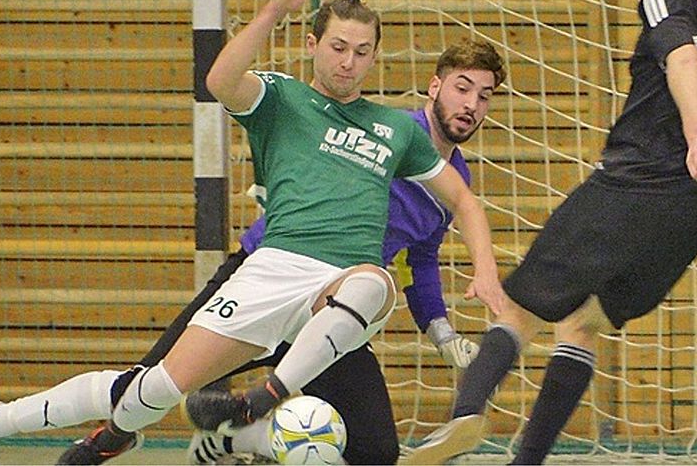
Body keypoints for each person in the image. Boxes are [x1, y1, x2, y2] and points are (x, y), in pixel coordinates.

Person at [0, 0, 502, 464]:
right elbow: (220, 79)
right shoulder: (284, 100)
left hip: (335, 298)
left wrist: (484, 273)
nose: (349, 63)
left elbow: (463, 203)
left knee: (374, 288)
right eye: (338, 48)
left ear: (377, 57)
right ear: (314, 45)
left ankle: (259, 404)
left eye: (363, 52)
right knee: (143, 394)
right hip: (268, 270)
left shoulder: (395, 129)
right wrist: (275, 6)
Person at [46, 36, 505, 466]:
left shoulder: (451, 186)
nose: (470, 104)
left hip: (332, 310)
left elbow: (419, 263)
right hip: (265, 279)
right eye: (462, 88)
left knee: (375, 453)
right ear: (435, 87)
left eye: (483, 96)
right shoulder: (386, 132)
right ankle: (108, 437)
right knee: (151, 382)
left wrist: (443, 335)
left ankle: (231, 439)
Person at [403, 0, 697, 464]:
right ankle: (529, 461)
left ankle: (466, 413)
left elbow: (683, 58)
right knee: (583, 322)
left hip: (635, 186)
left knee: (520, 308)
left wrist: (695, 133)